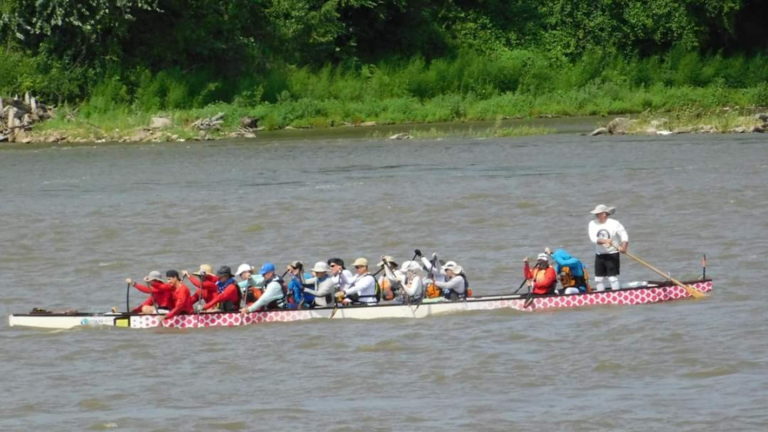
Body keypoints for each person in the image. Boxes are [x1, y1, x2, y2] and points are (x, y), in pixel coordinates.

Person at [588, 204, 629, 291]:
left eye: (598, 213)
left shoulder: (614, 223)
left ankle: (616, 295)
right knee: (598, 279)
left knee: (612, 278)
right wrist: (605, 241)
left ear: (604, 214)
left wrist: (624, 247)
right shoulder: (592, 224)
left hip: (612, 253)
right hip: (599, 254)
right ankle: (600, 297)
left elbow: (624, 235)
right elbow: (593, 238)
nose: (596, 215)